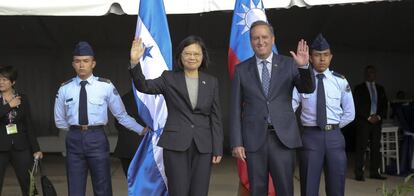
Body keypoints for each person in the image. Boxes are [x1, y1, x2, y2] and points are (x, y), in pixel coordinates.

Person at [129, 35, 223, 196]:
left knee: (199, 191)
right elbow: (143, 86)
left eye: (196, 54)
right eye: (187, 53)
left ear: (203, 57)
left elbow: (215, 117)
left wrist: (218, 148)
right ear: (180, 55)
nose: (192, 57)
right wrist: (135, 62)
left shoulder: (212, 82)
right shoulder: (169, 78)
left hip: (203, 146)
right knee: (178, 191)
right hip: (175, 144)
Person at [229, 20, 315, 196]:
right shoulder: (241, 70)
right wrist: (237, 142)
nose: (260, 42)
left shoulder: (290, 64)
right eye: (255, 38)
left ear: (273, 39)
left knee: (285, 189)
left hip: (282, 139)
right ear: (250, 41)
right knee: (257, 190)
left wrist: (304, 66)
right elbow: (235, 109)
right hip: (254, 140)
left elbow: (307, 88)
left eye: (264, 37)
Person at [54, 41, 146, 196]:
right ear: (73, 64)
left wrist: (141, 129)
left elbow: (121, 116)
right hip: (74, 138)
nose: (81, 65)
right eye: (77, 61)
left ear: (93, 63)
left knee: (102, 185)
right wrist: (77, 130)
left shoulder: (106, 86)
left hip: (97, 137)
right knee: (75, 187)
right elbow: (59, 120)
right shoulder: (65, 88)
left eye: (86, 61)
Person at [292, 34, 355, 196]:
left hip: (334, 137)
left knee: (337, 186)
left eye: (326, 55)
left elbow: (350, 113)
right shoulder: (302, 80)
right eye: (318, 55)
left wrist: (332, 127)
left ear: (331, 57)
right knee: (308, 187)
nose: (322, 59)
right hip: (310, 136)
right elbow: (290, 107)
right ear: (311, 58)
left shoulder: (340, 81)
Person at [0, 65, 43, 196]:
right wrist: (9, 106)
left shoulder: (22, 98)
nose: (1, 82)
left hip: (21, 146)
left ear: (13, 82)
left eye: (4, 79)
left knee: (28, 183)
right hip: (0, 147)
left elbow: (28, 124)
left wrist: (36, 149)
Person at [354, 65, 388, 181]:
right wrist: (368, 117)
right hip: (364, 121)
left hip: (377, 122)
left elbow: (384, 105)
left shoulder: (380, 88)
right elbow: (357, 105)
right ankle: (359, 173)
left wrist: (378, 116)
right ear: (365, 74)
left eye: (372, 72)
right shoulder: (359, 88)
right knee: (361, 147)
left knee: (375, 147)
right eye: (368, 72)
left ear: (375, 74)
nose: (370, 74)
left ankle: (374, 172)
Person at [113, 89, 145, 177]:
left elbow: (117, 123)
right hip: (146, 147)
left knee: (131, 182)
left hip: (127, 148)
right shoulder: (154, 97)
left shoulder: (124, 98)